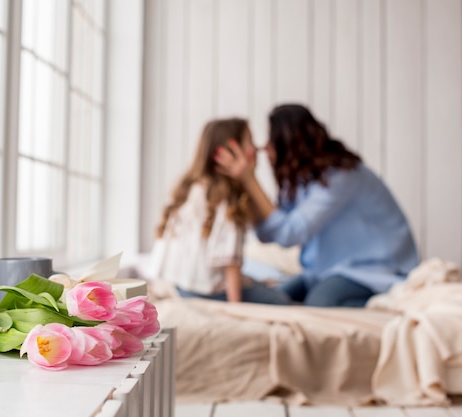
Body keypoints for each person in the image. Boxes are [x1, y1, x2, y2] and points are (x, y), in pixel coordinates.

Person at [214, 104, 419, 307]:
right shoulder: (298, 181)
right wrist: (244, 182)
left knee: (319, 303)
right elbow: (269, 233)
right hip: (325, 270)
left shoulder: (341, 176)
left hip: (372, 269)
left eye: (271, 140)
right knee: (275, 299)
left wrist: (250, 181)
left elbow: (291, 233)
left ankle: (387, 300)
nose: (263, 148)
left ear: (289, 143)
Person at [149, 117, 291, 305]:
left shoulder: (189, 188)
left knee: (266, 285)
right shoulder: (227, 198)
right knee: (281, 300)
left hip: (182, 288)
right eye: (249, 141)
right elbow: (229, 262)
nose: (256, 149)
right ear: (230, 151)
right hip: (211, 292)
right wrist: (235, 308)